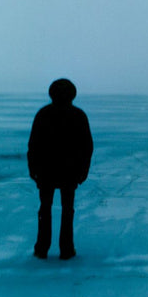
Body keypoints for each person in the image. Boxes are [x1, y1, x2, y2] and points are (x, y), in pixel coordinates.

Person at [27, 78, 93, 260]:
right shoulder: (78, 115)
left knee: (46, 209)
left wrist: (33, 168)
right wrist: (83, 170)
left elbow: (33, 145)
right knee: (66, 209)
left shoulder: (44, 114)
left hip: (47, 170)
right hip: (68, 171)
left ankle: (42, 248)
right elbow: (87, 147)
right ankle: (66, 248)